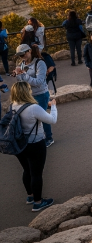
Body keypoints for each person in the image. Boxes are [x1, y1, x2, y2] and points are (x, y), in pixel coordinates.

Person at [9, 81, 58, 212]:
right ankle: (38, 202)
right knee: (36, 173)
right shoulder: (33, 108)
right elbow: (52, 120)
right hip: (35, 143)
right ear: (27, 91)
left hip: (19, 144)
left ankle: (30, 196)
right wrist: (53, 106)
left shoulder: (13, 106)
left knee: (27, 170)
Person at [14, 44, 54, 147]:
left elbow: (39, 82)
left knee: (42, 117)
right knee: (31, 118)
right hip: (28, 95)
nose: (22, 57)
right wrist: (18, 75)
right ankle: (37, 136)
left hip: (41, 94)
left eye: (23, 54)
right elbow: (21, 81)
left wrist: (24, 75)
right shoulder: (22, 64)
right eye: (20, 55)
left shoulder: (40, 63)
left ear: (30, 51)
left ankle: (49, 138)